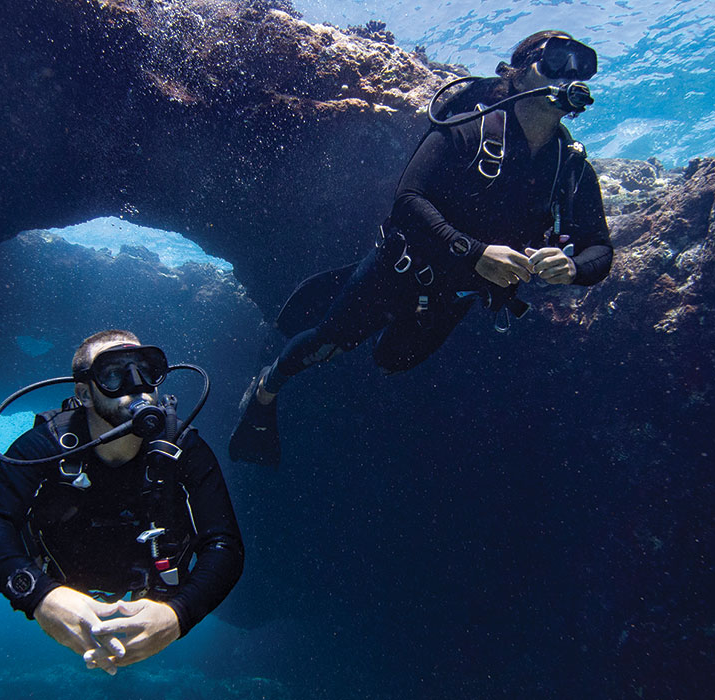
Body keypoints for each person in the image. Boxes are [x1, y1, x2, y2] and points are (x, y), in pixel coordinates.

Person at [230, 31, 616, 465]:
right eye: (555, 62)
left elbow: (599, 249)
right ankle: (266, 388)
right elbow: (408, 201)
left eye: (582, 68)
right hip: (396, 270)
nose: (569, 75)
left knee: (391, 362)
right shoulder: (469, 128)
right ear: (519, 72)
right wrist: (474, 252)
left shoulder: (571, 164)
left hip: (453, 297)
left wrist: (573, 269)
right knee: (331, 341)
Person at [0, 330, 244, 674]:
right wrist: (40, 597)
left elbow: (224, 545)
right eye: (113, 374)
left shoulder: (183, 448)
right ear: (84, 393)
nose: (137, 385)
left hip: (151, 581)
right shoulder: (46, 445)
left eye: (147, 369)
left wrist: (177, 615)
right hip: (64, 576)